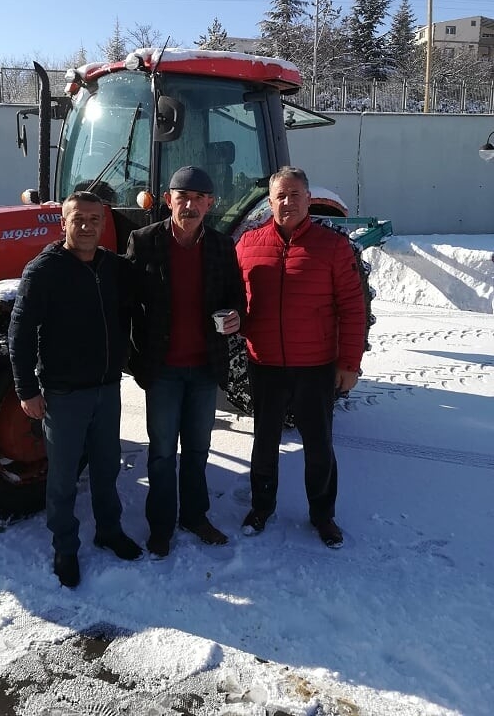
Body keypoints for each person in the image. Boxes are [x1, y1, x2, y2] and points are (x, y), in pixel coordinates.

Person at [8, 191, 142, 588]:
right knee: (63, 476)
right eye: (78, 219)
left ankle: (109, 530)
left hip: (106, 388)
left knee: (106, 466)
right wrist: (26, 388)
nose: (86, 227)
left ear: (103, 224)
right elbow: (20, 331)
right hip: (64, 394)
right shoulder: (44, 270)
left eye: (94, 220)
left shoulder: (111, 266)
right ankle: (65, 545)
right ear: (62, 223)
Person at [235, 167, 366, 548]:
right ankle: (261, 507)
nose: (288, 202)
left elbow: (352, 308)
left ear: (309, 199)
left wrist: (349, 363)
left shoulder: (333, 247)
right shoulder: (247, 245)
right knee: (264, 443)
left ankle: (323, 515)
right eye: (281, 195)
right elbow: (236, 302)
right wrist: (234, 321)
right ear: (270, 201)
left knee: (319, 445)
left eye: (295, 194)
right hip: (266, 364)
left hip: (315, 367)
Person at [126, 166, 246, 559]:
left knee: (197, 449)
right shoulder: (143, 242)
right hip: (162, 370)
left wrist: (234, 318)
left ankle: (195, 516)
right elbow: (126, 304)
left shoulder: (221, 247)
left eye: (199, 199)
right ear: (168, 201)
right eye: (183, 198)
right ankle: (161, 526)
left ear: (210, 204)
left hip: (203, 369)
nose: (190, 205)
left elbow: (235, 298)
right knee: (161, 452)